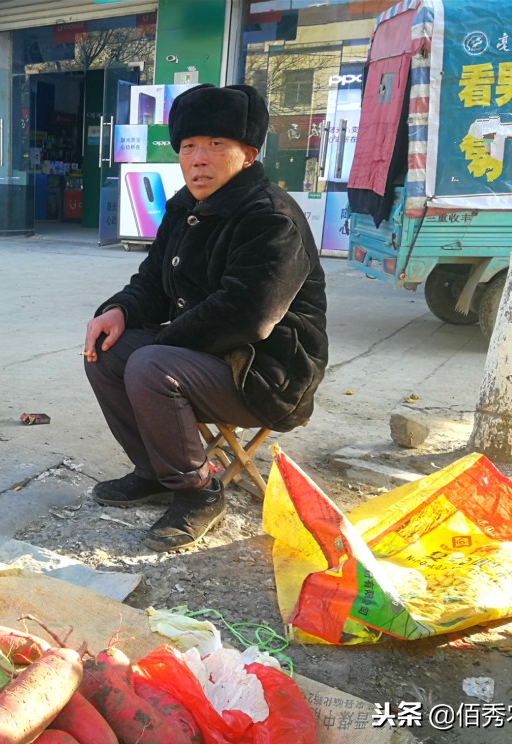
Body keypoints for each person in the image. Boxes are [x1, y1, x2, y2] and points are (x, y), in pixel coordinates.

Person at [82, 84, 328, 553]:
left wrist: (159, 345)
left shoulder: (270, 216)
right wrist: (118, 309)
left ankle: (199, 493)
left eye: (216, 145)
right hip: (208, 357)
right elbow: (152, 281)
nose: (199, 159)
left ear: (248, 154)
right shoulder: (185, 207)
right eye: (189, 146)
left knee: (149, 364)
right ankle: (155, 472)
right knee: (107, 352)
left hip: (266, 372)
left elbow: (247, 316)